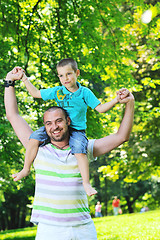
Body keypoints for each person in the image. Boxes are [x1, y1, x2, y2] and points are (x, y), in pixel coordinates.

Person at [4, 68, 134, 239]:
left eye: (59, 121)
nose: (54, 126)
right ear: (45, 127)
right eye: (49, 123)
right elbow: (13, 115)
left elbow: (121, 137)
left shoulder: (84, 148)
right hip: (50, 230)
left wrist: (130, 103)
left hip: (83, 228)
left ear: (68, 121)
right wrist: (9, 81)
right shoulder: (36, 149)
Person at [11, 59, 129, 197]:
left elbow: (101, 109)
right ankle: (26, 169)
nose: (65, 78)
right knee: (33, 139)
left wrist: (116, 100)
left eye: (68, 74)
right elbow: (35, 93)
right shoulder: (58, 91)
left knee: (80, 150)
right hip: (59, 126)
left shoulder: (85, 93)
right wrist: (24, 78)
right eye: (61, 75)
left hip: (76, 130)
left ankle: (86, 183)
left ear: (77, 73)